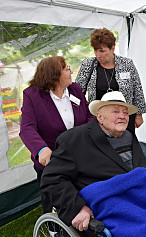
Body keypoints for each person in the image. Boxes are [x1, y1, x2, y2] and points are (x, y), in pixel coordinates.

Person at [40, 91, 146, 231]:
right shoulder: (73, 140)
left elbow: (140, 166)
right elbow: (52, 178)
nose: (122, 116)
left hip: (139, 196)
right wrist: (77, 208)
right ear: (100, 117)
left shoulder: (129, 136)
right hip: (110, 204)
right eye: (115, 111)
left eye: (125, 112)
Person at [19, 56, 94, 213]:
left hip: (79, 156)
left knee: (80, 195)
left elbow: (88, 114)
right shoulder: (32, 95)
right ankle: (53, 228)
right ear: (54, 74)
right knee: (54, 199)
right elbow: (27, 128)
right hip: (52, 160)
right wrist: (41, 149)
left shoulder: (76, 89)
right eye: (67, 68)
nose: (71, 71)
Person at [75, 28, 146, 130]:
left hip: (123, 118)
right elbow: (78, 91)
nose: (97, 54)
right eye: (95, 50)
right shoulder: (88, 64)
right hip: (99, 119)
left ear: (112, 49)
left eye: (102, 51)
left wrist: (139, 115)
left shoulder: (127, 64)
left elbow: (137, 89)